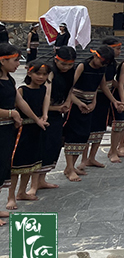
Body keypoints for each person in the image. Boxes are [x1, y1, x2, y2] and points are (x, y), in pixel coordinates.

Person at [62, 46, 115, 181]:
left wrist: (97, 102)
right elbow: (69, 87)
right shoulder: (82, 66)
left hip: (89, 105)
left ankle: (71, 167)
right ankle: (69, 167)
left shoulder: (101, 69)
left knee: (83, 136)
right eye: (102, 62)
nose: (103, 65)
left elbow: (100, 86)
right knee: (73, 135)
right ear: (96, 56)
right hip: (76, 104)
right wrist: (78, 103)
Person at [6, 60, 50, 210]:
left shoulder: (44, 89)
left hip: (37, 128)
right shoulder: (22, 90)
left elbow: (45, 103)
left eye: (44, 74)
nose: (41, 77)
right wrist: (37, 119)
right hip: (22, 129)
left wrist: (44, 116)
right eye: (38, 73)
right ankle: (11, 197)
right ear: (29, 73)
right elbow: (22, 107)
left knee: (31, 164)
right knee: (17, 165)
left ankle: (22, 192)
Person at [32, 46, 75, 194]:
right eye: (63, 64)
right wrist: (48, 112)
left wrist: (67, 103)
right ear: (56, 59)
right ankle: (33, 184)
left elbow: (71, 89)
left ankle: (42, 180)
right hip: (43, 112)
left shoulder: (71, 72)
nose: (67, 67)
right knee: (40, 147)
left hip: (57, 112)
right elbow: (46, 94)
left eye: (70, 64)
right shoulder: (49, 71)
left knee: (53, 145)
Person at [82, 36, 122, 170]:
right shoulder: (89, 65)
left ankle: (92, 157)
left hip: (105, 98)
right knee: (88, 129)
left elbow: (110, 83)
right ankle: (83, 159)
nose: (119, 52)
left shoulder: (113, 63)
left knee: (100, 128)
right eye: (117, 49)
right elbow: (102, 85)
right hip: (92, 97)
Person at [0, 44, 24, 225]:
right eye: (15, 60)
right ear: (3, 60)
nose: (18, 64)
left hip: (6, 130)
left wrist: (37, 118)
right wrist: (11, 113)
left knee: (2, 167)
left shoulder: (9, 79)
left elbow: (18, 100)